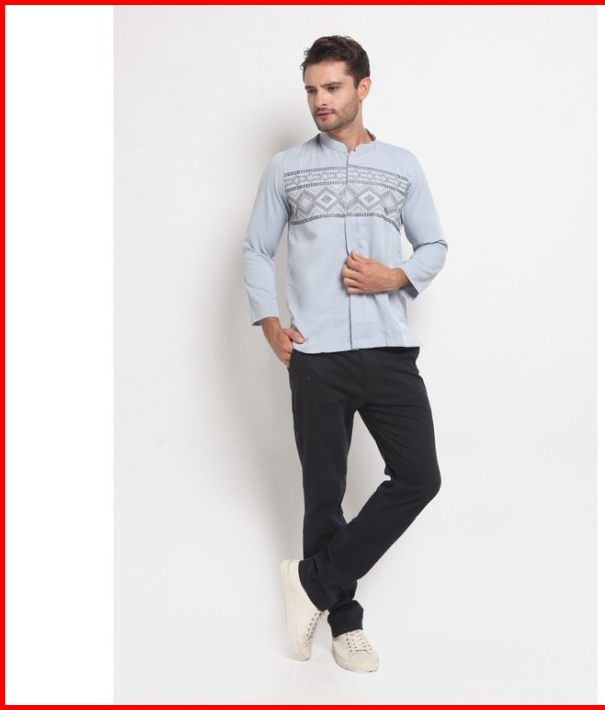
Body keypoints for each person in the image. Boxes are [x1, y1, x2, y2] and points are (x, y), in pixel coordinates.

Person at [243, 35, 447, 673]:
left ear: (363, 87)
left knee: (419, 477)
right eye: (311, 90)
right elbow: (256, 248)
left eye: (332, 87)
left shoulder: (402, 165)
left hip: (389, 350)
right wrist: (269, 322)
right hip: (318, 356)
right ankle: (345, 624)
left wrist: (396, 276)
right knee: (324, 494)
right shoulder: (285, 168)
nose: (319, 101)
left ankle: (310, 582)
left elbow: (435, 245)